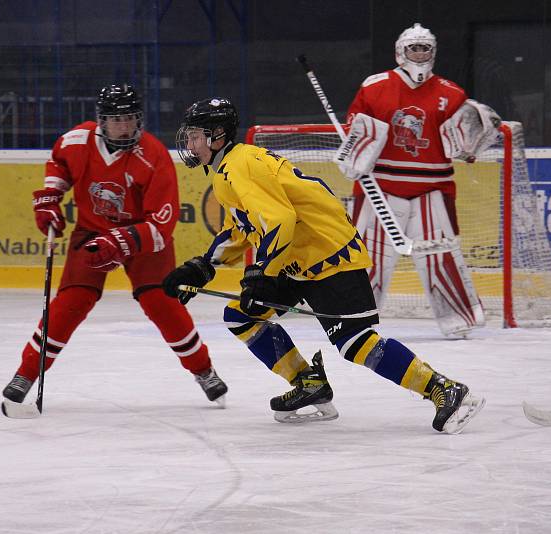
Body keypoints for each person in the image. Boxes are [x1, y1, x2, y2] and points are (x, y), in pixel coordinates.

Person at [162, 97, 484, 433]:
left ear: (217, 136)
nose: (190, 143)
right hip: (299, 256)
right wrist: (202, 267)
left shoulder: (238, 166)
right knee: (241, 315)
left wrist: (261, 275)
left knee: (356, 343)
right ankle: (308, 382)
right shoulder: (229, 169)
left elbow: (280, 220)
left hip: (329, 254)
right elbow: (246, 228)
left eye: (196, 135)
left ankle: (443, 389)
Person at [1, 84, 227, 410]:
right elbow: (59, 164)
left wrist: (122, 240)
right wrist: (51, 197)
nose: (123, 126)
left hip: (143, 240)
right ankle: (25, 373)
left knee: (162, 303)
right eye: (115, 119)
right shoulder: (77, 140)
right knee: (71, 302)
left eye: (130, 118)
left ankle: (203, 370)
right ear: (101, 121)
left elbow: (161, 225)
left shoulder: (154, 156)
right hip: (92, 232)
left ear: (140, 120)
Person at [344, 22, 500, 337]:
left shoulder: (451, 93)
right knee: (366, 256)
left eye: (424, 48)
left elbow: (463, 141)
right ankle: (353, 316)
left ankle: (459, 319)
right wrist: (357, 146)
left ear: (433, 52)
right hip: (380, 187)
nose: (419, 53)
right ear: (401, 51)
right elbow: (354, 130)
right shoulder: (375, 86)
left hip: (432, 188)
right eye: (414, 47)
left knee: (439, 254)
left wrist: (471, 142)